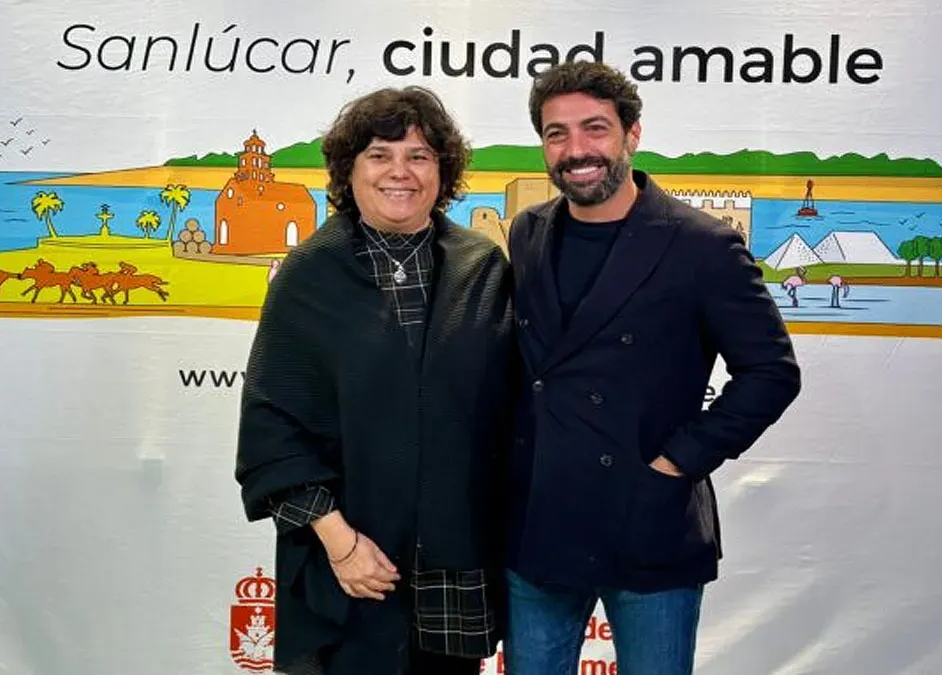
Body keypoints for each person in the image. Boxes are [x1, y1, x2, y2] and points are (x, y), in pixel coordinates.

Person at [501, 61, 802, 675]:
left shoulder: (702, 246)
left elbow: (772, 372)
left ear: (632, 134)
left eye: (595, 128)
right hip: (541, 523)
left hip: (649, 519)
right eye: (557, 134)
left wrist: (678, 462)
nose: (576, 150)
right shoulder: (528, 231)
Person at [234, 86, 516, 675]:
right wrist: (341, 545)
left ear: (443, 171)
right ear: (349, 169)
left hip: (453, 569)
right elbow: (272, 430)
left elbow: (509, 412)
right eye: (379, 155)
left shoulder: (482, 267)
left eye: (419, 156)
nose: (400, 172)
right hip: (349, 566)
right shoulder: (309, 274)